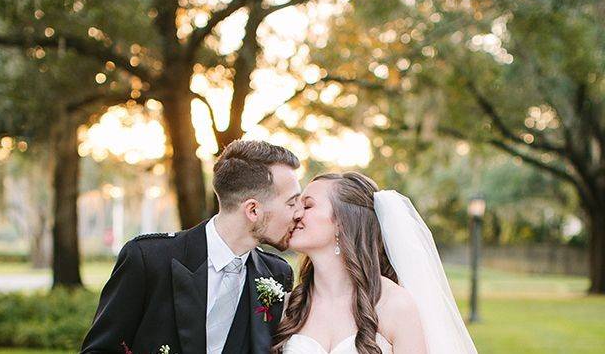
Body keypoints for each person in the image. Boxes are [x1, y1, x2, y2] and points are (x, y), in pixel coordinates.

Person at [81, 140, 304, 354]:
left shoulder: (277, 273)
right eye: (291, 203)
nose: (298, 213)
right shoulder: (148, 259)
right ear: (253, 210)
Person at [274, 172, 477, 354]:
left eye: (307, 205)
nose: (296, 214)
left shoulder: (396, 305)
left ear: (342, 222)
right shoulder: (288, 306)